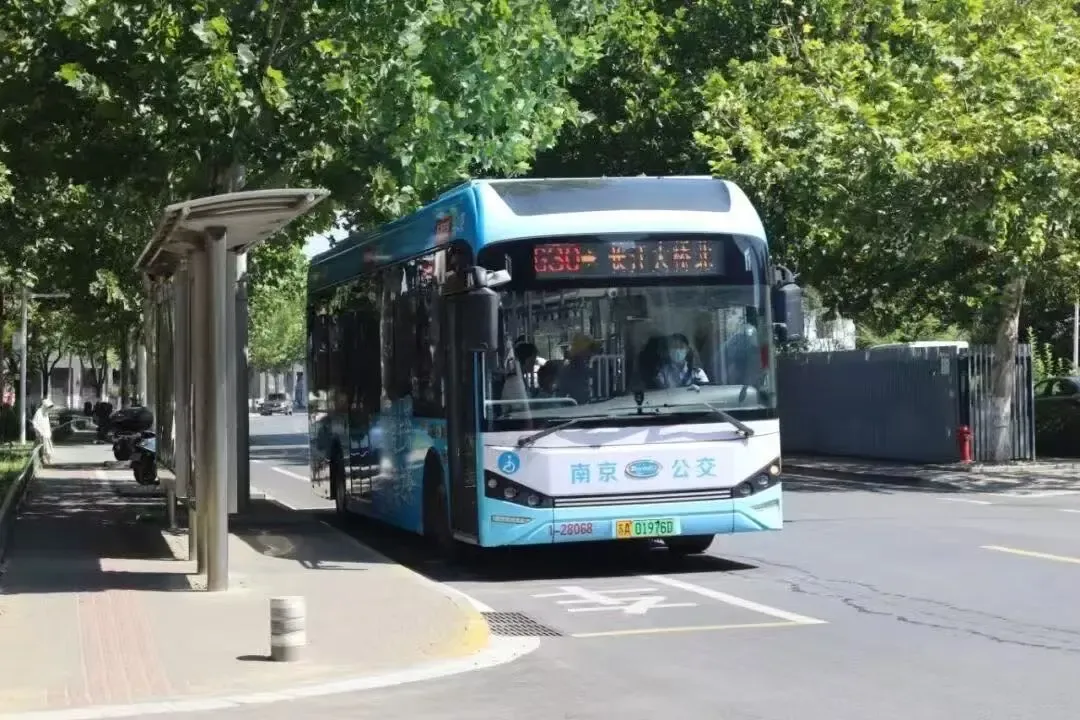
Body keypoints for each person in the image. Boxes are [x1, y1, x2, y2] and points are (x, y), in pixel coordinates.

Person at [557, 333, 601, 405]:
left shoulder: (596, 365)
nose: (591, 353)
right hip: (577, 407)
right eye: (589, 348)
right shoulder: (571, 368)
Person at [31, 399, 54, 464]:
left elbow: (47, 424)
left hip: (46, 434)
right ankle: (45, 460)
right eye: (48, 407)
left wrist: (49, 431)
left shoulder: (46, 413)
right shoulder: (39, 412)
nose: (49, 409)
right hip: (41, 434)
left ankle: (46, 460)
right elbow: (35, 423)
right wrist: (39, 431)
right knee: (42, 448)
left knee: (46, 448)